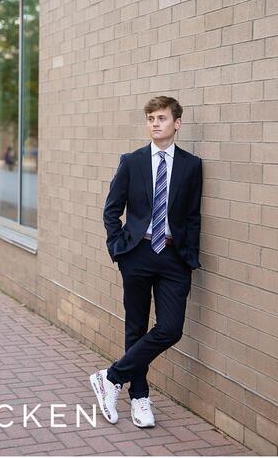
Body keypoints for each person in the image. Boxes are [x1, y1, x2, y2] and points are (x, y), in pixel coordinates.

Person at [90, 96, 202, 429]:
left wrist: (189, 256)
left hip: (173, 257)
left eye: (162, 118)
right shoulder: (132, 161)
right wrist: (118, 247)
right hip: (137, 253)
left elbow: (193, 215)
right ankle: (139, 397)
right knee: (136, 327)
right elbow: (112, 209)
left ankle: (110, 377)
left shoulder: (192, 165)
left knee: (170, 329)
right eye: (150, 118)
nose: (155, 123)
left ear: (177, 123)